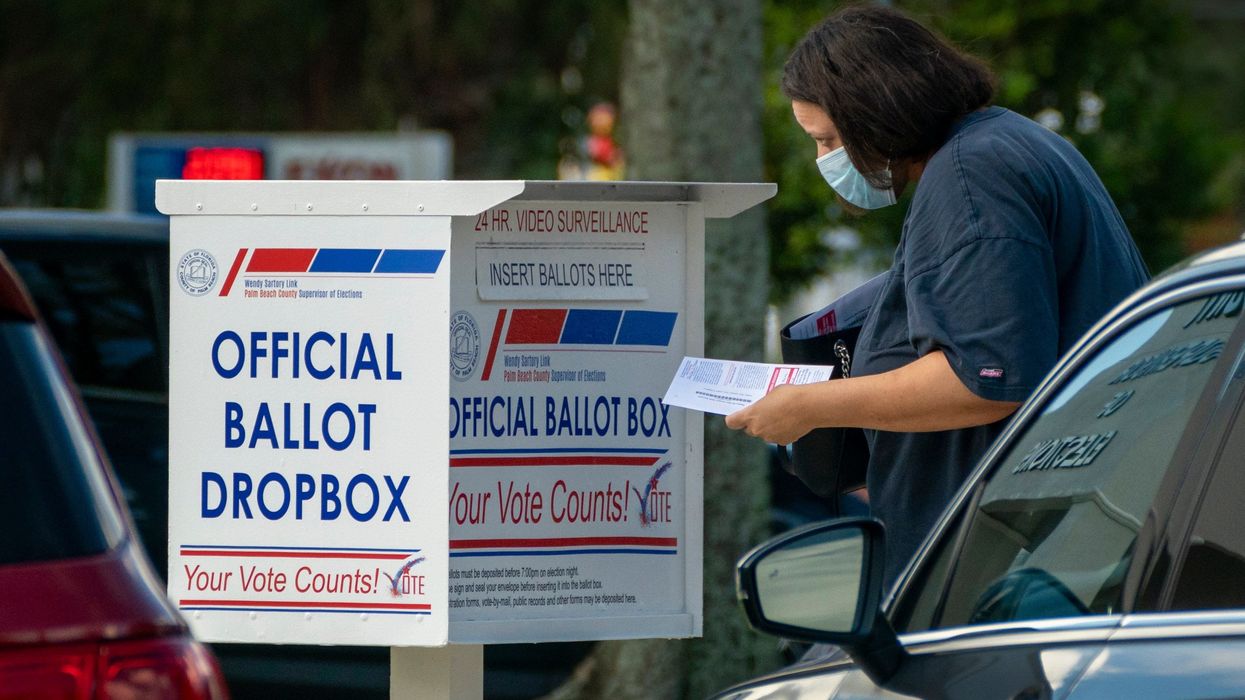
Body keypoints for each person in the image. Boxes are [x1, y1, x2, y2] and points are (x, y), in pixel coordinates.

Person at [725, 5, 1150, 585]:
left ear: (877, 111)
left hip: (1003, 561)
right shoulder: (1007, 143)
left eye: (828, 140)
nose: (825, 161)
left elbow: (988, 379)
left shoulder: (971, 177)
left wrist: (811, 407)